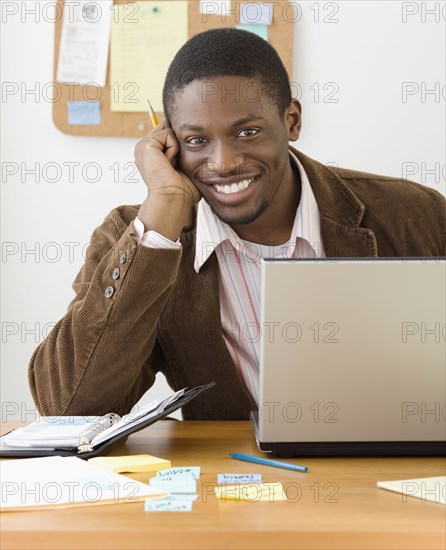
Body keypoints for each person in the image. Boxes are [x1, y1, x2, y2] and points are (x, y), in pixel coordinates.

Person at [29, 29, 445, 419]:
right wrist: (162, 217)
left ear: (292, 122)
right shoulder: (140, 236)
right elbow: (68, 409)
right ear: (170, 143)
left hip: (389, 476)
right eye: (196, 140)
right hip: (232, 484)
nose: (223, 163)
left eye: (247, 132)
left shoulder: (413, 214)